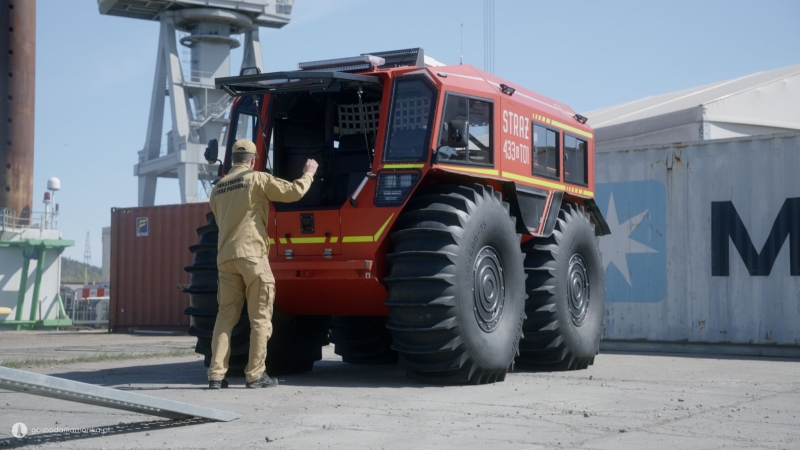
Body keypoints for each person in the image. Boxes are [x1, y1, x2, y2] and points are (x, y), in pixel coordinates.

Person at [207, 138, 318, 389]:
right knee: (260, 319)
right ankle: (256, 375)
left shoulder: (218, 188)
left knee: (225, 318)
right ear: (253, 160)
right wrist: (308, 175)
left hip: (225, 257)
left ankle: (216, 375)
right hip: (252, 256)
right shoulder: (257, 179)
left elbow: (219, 219)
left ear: (233, 159)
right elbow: (293, 193)